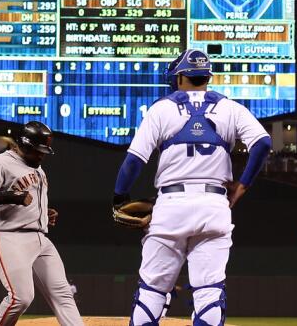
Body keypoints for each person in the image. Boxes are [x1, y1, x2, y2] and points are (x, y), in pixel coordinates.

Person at [113, 48, 272, 326]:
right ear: (206, 76)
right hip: (214, 205)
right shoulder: (230, 108)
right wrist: (242, 186)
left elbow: (133, 162)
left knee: (151, 294)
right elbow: (263, 144)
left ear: (181, 77)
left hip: (171, 206)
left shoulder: (162, 108)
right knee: (209, 295)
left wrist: (119, 197)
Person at [0, 121, 82, 326]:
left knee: (64, 295)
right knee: (20, 298)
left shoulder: (38, 169)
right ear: (24, 144)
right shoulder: (0, 163)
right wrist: (13, 197)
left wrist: (42, 213)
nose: (42, 155)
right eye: (38, 150)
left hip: (40, 238)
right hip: (8, 236)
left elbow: (28, 200)